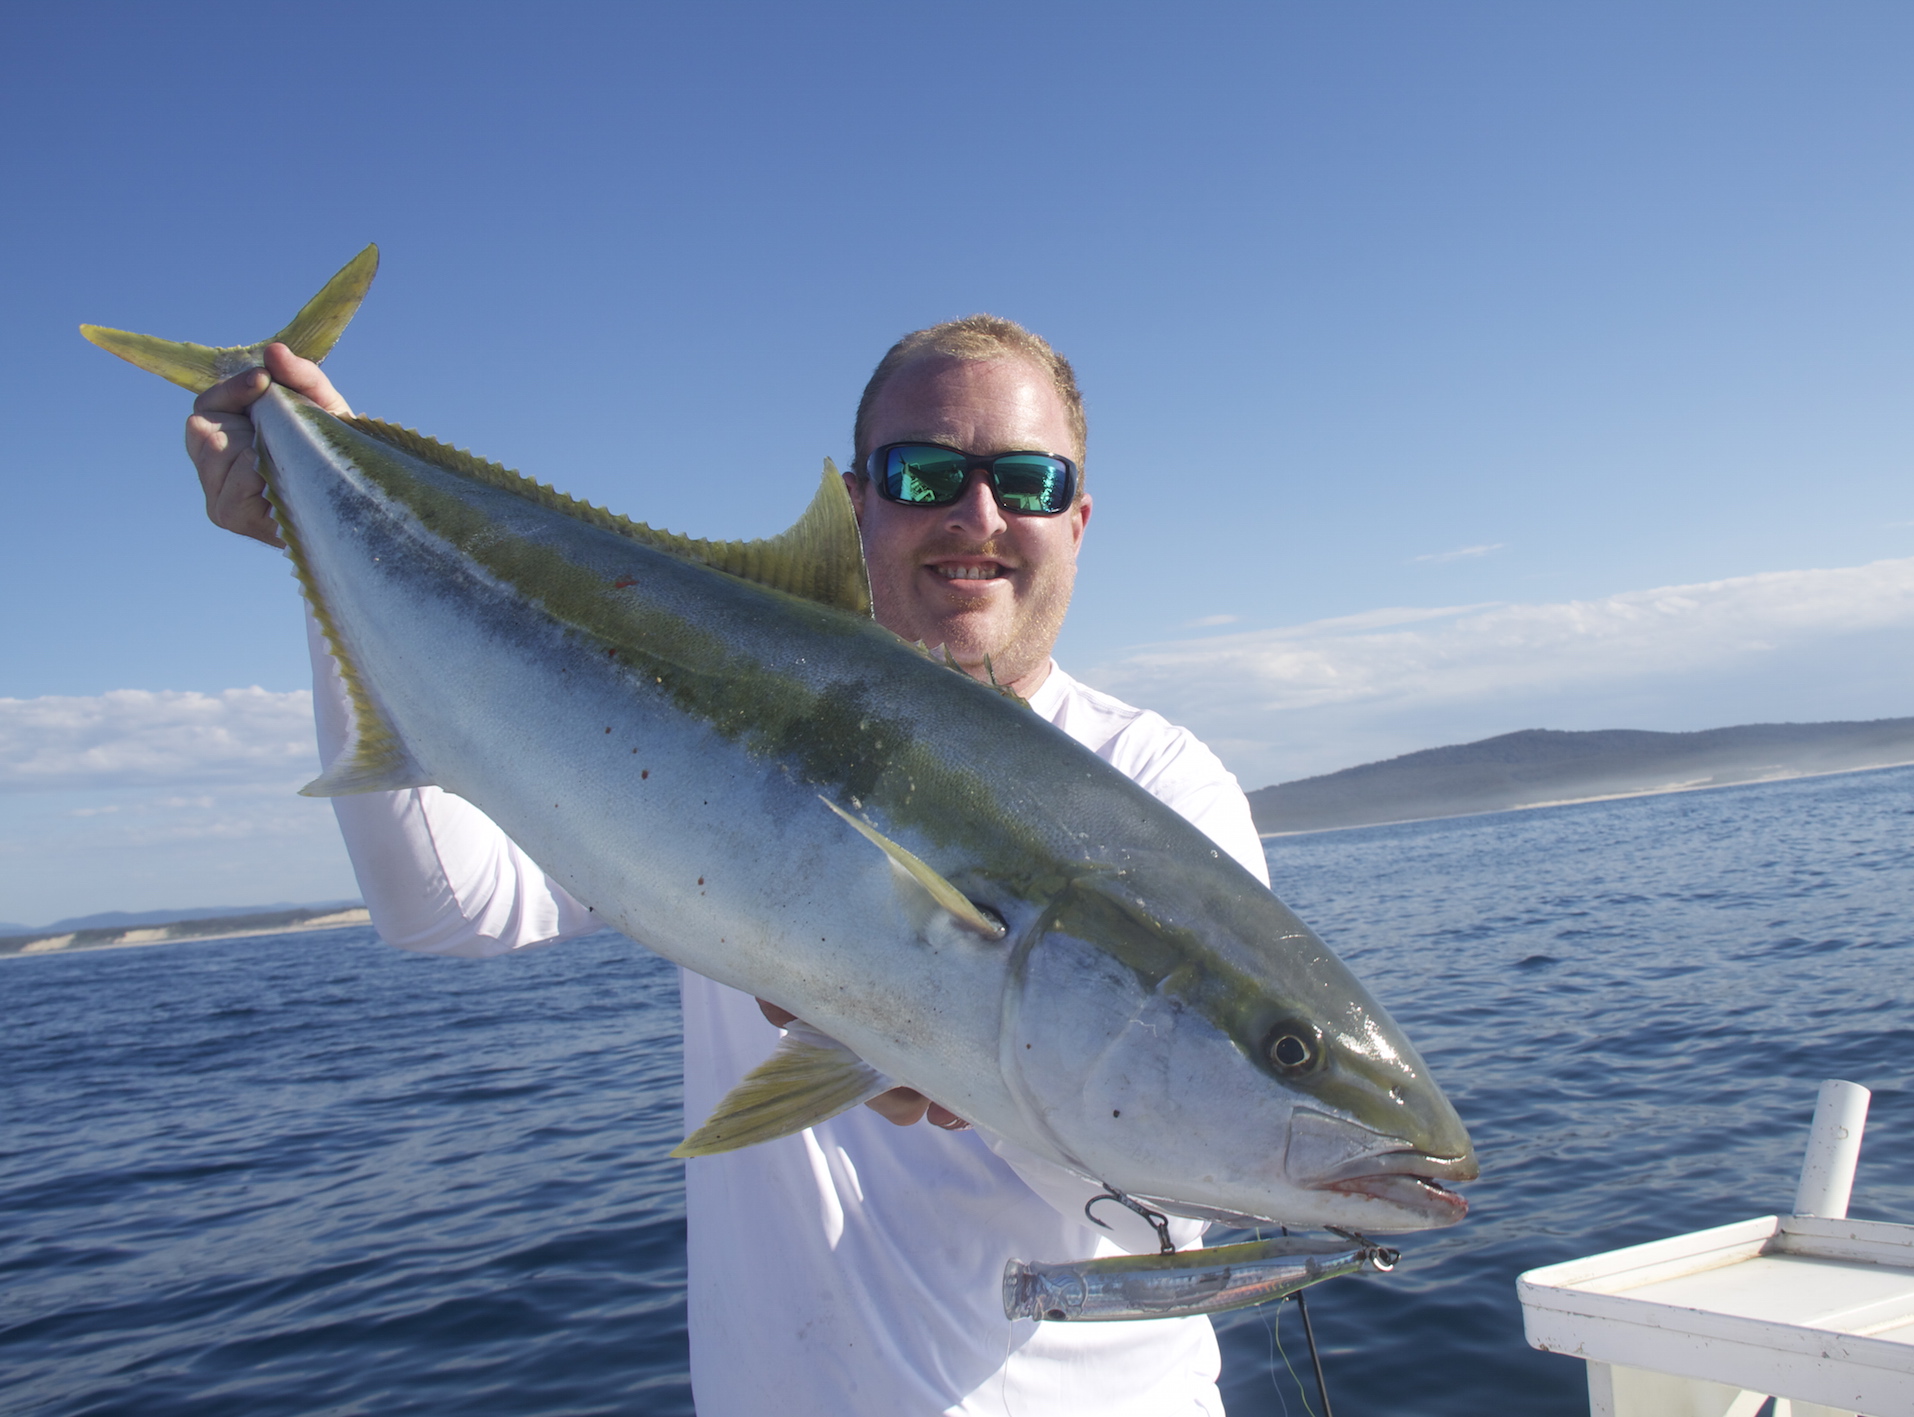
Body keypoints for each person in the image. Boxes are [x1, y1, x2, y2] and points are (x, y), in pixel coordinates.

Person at [186, 317, 1270, 1416]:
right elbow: (448, 906)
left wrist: (958, 1076)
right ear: (857, 506)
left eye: (1027, 481)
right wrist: (325, 534)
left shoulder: (1155, 787)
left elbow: (1186, 1171)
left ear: (1077, 519)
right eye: (925, 472)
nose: (975, 514)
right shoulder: (721, 720)